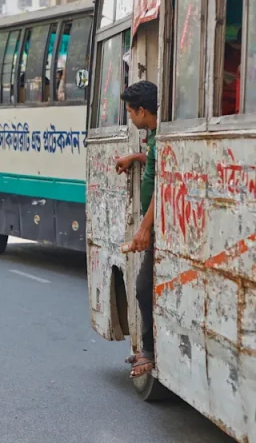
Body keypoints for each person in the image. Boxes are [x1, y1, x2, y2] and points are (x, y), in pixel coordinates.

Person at [114, 80, 158, 378]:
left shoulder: (161, 135)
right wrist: (136, 157)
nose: (130, 117)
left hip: (156, 227)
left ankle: (149, 352)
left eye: (131, 111)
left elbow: (163, 183)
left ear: (143, 110)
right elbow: (155, 165)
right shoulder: (155, 136)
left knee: (143, 289)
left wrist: (144, 228)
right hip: (154, 225)